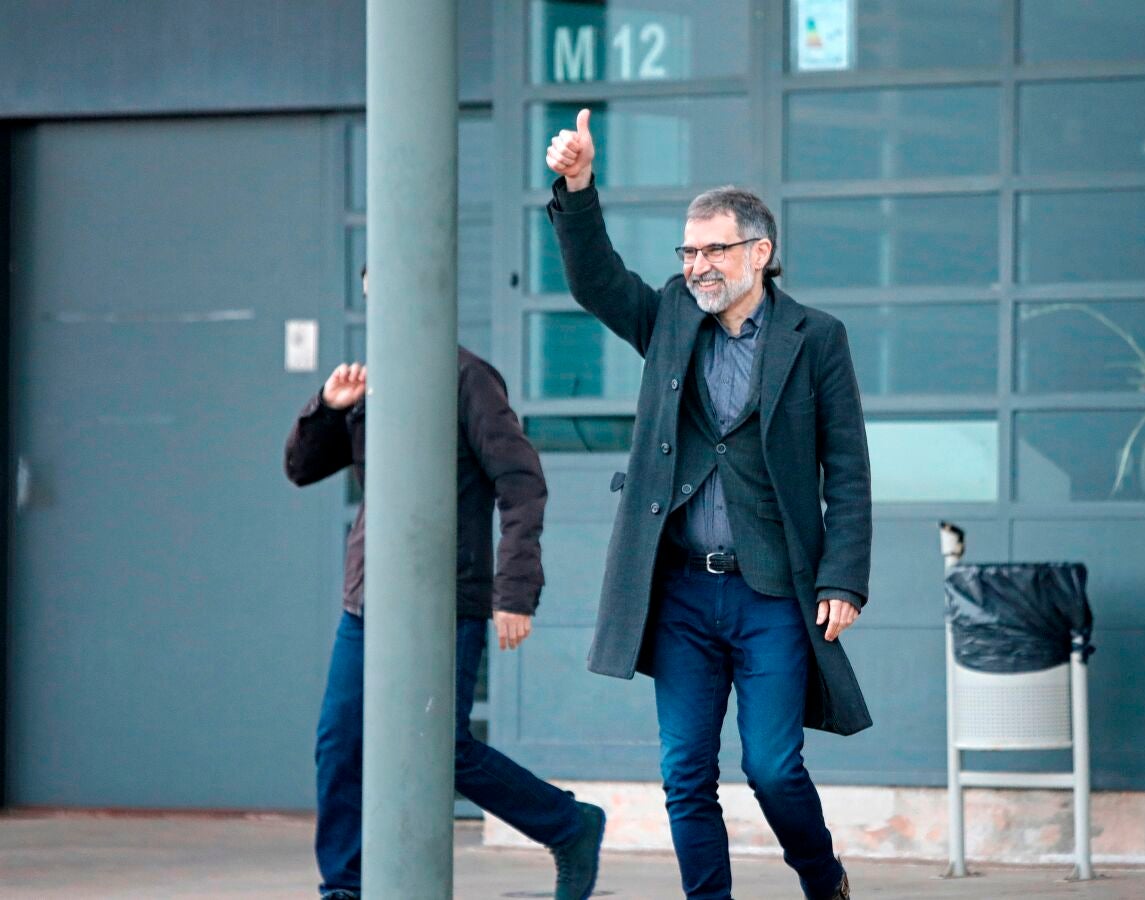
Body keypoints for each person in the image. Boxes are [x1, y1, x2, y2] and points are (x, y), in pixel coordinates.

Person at [543, 109, 871, 900]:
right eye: (688, 252)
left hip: (772, 591)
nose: (697, 266)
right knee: (685, 771)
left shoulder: (817, 337)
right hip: (682, 591)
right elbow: (594, 280)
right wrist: (578, 187)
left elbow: (848, 467)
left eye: (714, 250)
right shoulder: (668, 317)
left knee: (772, 765)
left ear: (760, 252)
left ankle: (822, 878)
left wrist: (843, 579)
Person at [284, 266, 605, 900]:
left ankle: (568, 825)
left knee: (442, 749)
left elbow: (521, 483)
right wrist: (327, 407)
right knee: (340, 745)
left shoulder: (468, 378)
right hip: (368, 602)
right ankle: (344, 888)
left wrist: (515, 591)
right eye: (372, 298)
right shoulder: (370, 383)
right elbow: (301, 468)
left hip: (446, 602)